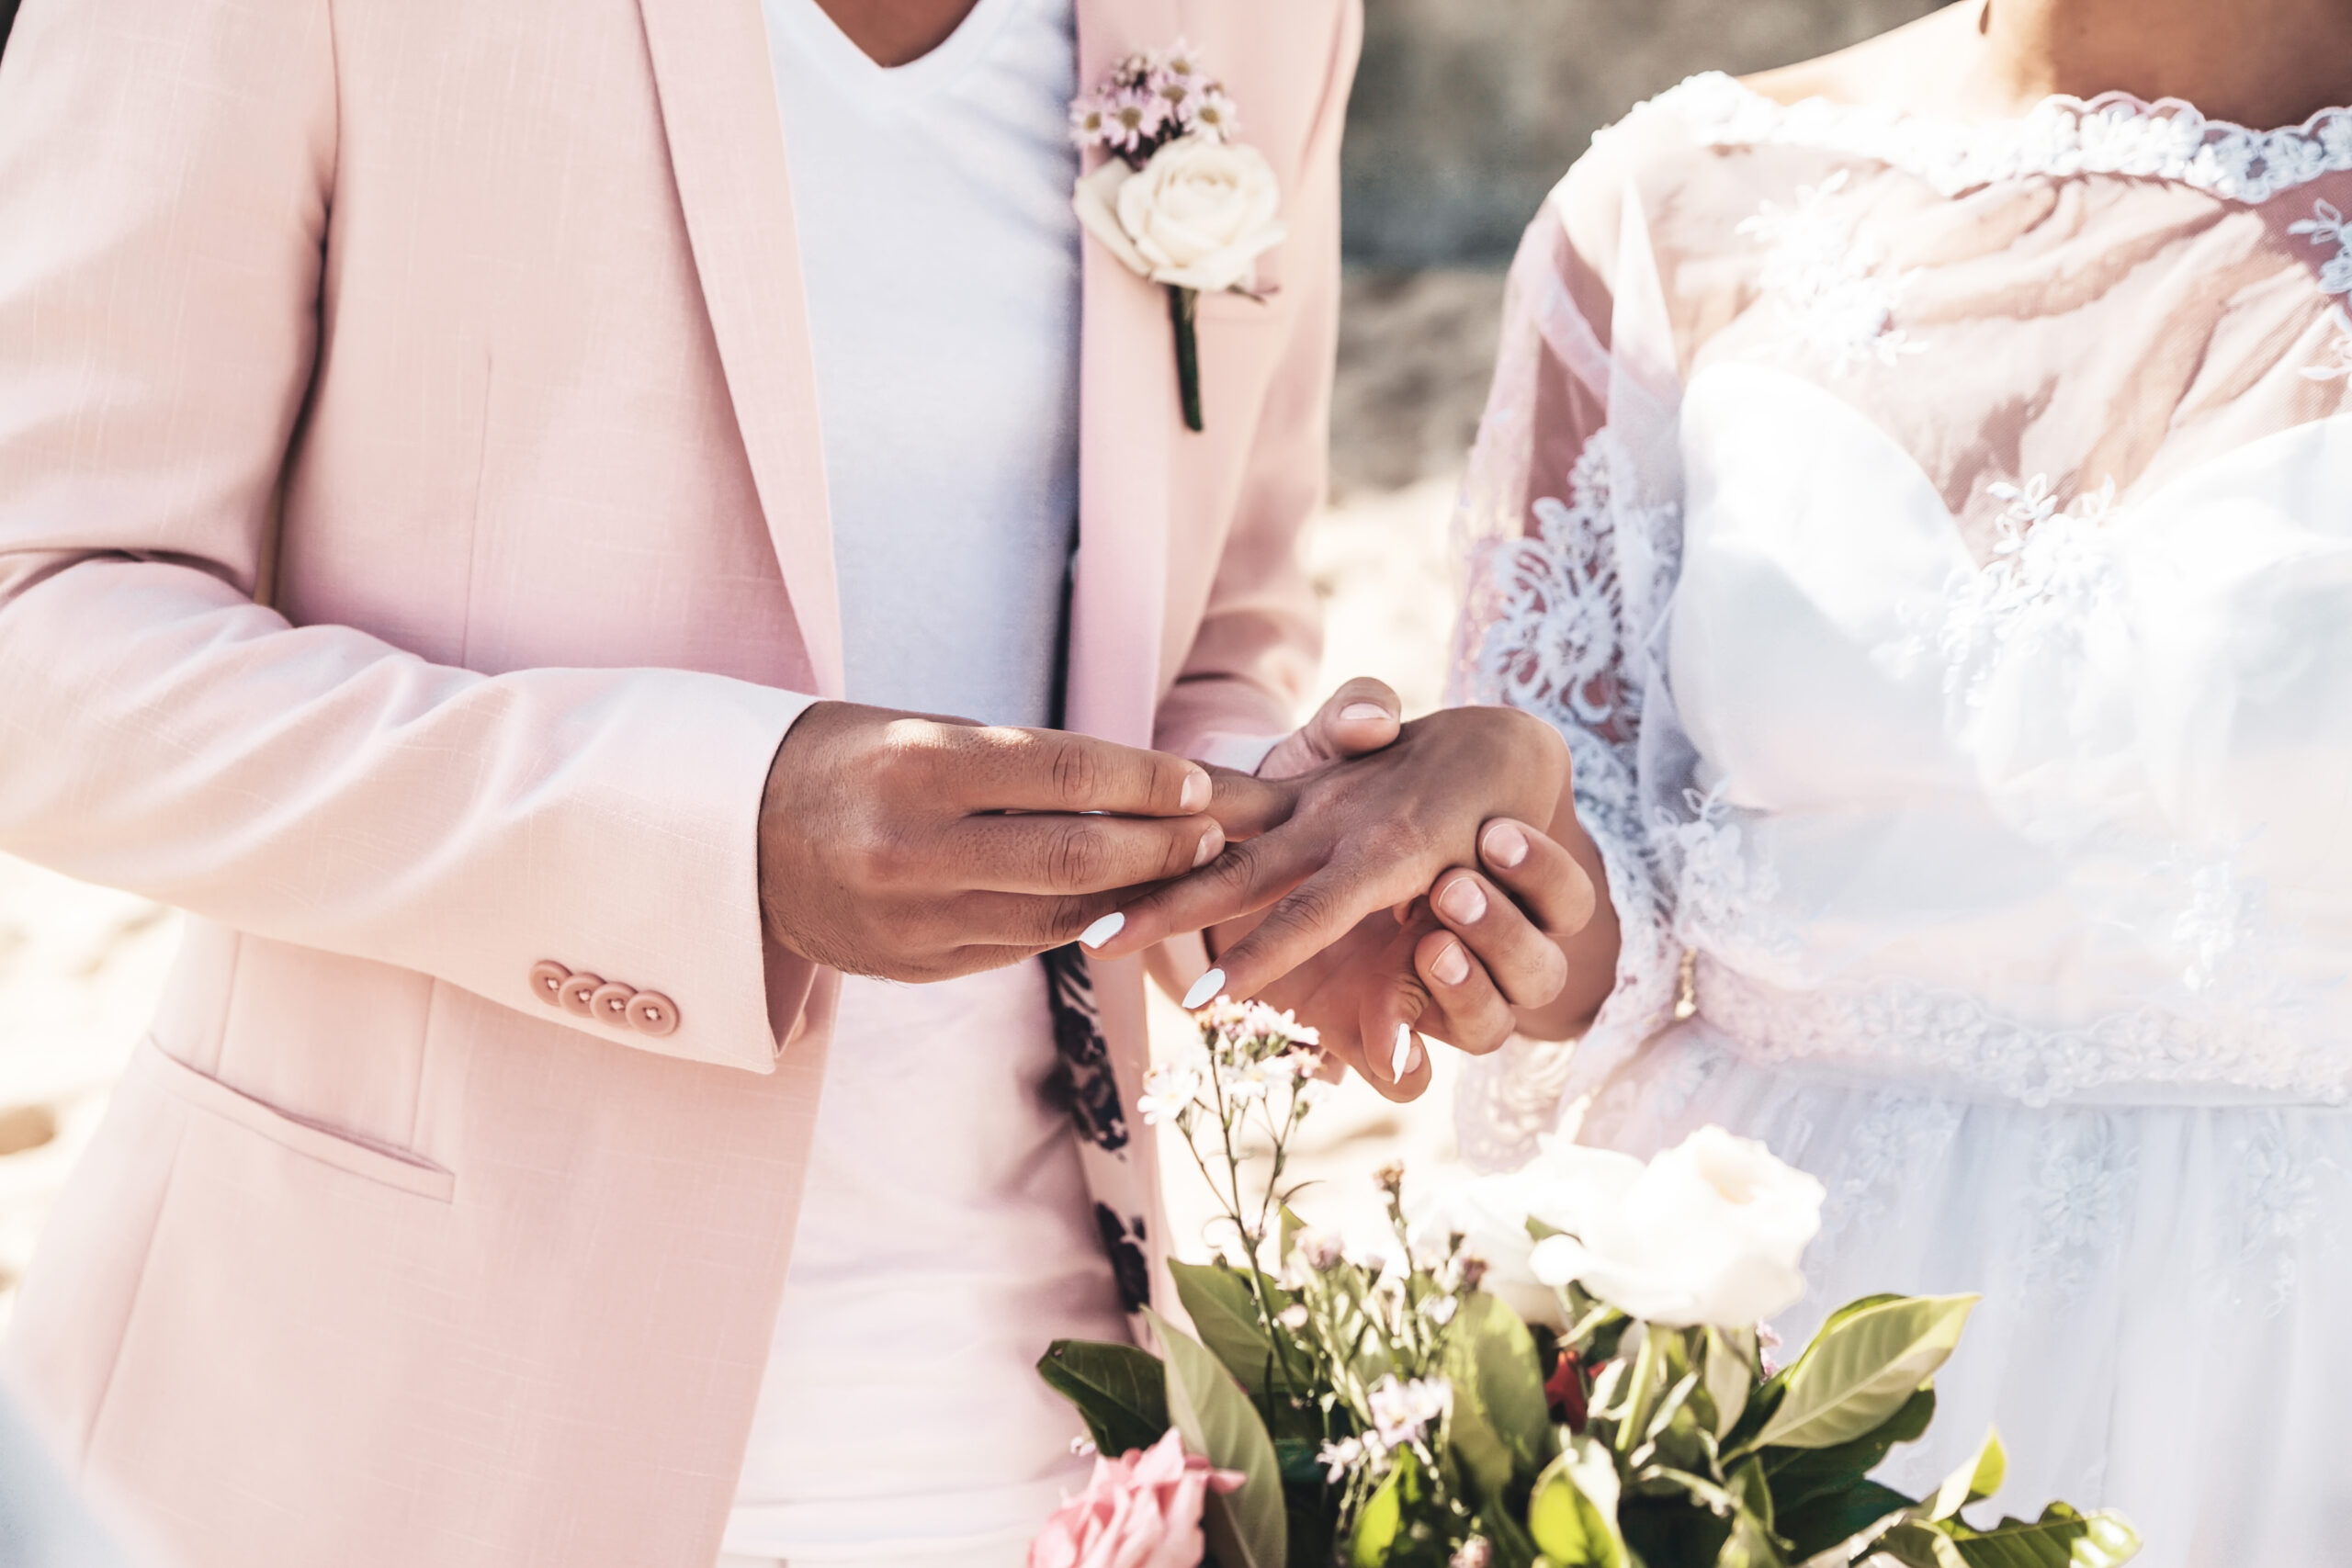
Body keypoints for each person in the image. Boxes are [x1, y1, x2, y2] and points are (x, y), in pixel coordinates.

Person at [0, 0, 1597, 1564]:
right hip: (403, 1414)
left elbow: (1209, 641)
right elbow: (42, 623)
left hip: (1033, 1438)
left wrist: (1312, 845)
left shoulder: (1264, 21)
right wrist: (717, 832)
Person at [1442, 1, 2352, 1561]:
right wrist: (1505, 913)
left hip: (2286, 1391)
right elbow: (1589, 897)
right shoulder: (1671, 202)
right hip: (1771, 1380)